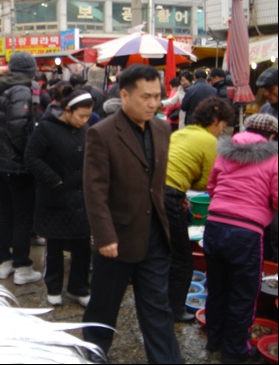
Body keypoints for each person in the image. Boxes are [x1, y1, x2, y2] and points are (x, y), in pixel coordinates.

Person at [82, 64, 180, 363]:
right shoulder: (102, 133)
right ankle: (94, 354)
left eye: (157, 96)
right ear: (124, 95)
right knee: (104, 307)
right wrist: (104, 235)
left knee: (157, 308)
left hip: (154, 235)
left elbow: (155, 180)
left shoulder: (163, 128)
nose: (153, 103)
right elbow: (94, 189)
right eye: (145, 96)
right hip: (117, 238)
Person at [203, 114, 278, 363]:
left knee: (217, 288)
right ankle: (236, 352)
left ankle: (215, 339)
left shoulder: (226, 153)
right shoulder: (274, 157)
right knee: (243, 295)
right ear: (272, 136)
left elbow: (211, 187)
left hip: (214, 226)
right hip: (246, 233)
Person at [165, 96, 235, 323]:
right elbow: (207, 182)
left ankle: (159, 300)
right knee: (183, 260)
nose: (221, 130)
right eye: (223, 125)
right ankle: (174, 310)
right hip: (170, 196)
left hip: (154, 191)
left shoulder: (180, 133)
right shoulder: (210, 142)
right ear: (216, 120)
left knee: (163, 251)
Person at [25, 88, 93, 307]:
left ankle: (78, 288)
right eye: (81, 116)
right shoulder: (46, 128)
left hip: (81, 197)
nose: (84, 121)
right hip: (55, 197)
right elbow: (31, 158)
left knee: (83, 245)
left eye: (87, 117)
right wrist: (54, 180)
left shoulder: (85, 130)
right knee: (54, 246)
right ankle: (54, 288)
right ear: (67, 110)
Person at [0, 51, 41, 285]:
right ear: (29, 72)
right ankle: (22, 266)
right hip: (16, 164)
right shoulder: (22, 90)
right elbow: (19, 129)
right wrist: (28, 155)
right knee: (22, 216)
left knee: (4, 211)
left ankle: (4, 261)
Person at [256, 66, 278, 262]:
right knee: (267, 230)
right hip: (265, 180)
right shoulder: (265, 110)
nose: (267, 93)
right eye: (265, 89)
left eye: (271, 88)